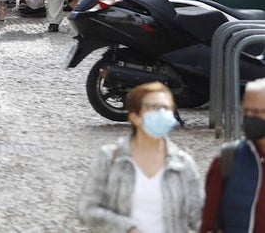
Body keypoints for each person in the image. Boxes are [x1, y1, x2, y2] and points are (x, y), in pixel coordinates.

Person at [80, 82, 201, 233]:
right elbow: (88, 210)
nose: (162, 113)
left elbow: (199, 218)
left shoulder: (183, 165)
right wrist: (127, 228)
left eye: (167, 108)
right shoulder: (110, 159)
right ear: (135, 117)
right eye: (153, 108)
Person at [200, 78, 265, 232]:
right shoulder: (227, 159)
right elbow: (206, 223)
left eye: (257, 112)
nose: (249, 118)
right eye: (246, 111)